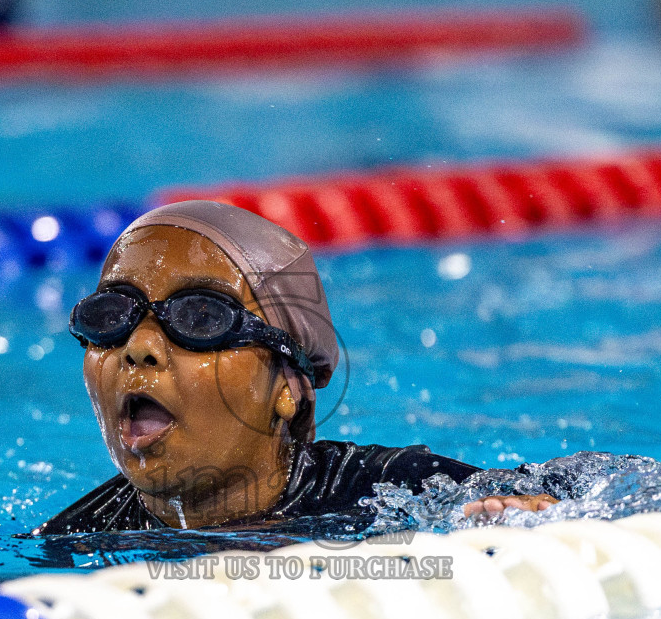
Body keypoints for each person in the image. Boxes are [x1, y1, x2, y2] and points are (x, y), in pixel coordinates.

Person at [36, 200, 554, 535]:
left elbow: (591, 495)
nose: (140, 347)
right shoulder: (78, 537)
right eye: (112, 316)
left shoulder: (393, 489)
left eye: (200, 317)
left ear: (287, 390)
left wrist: (531, 520)